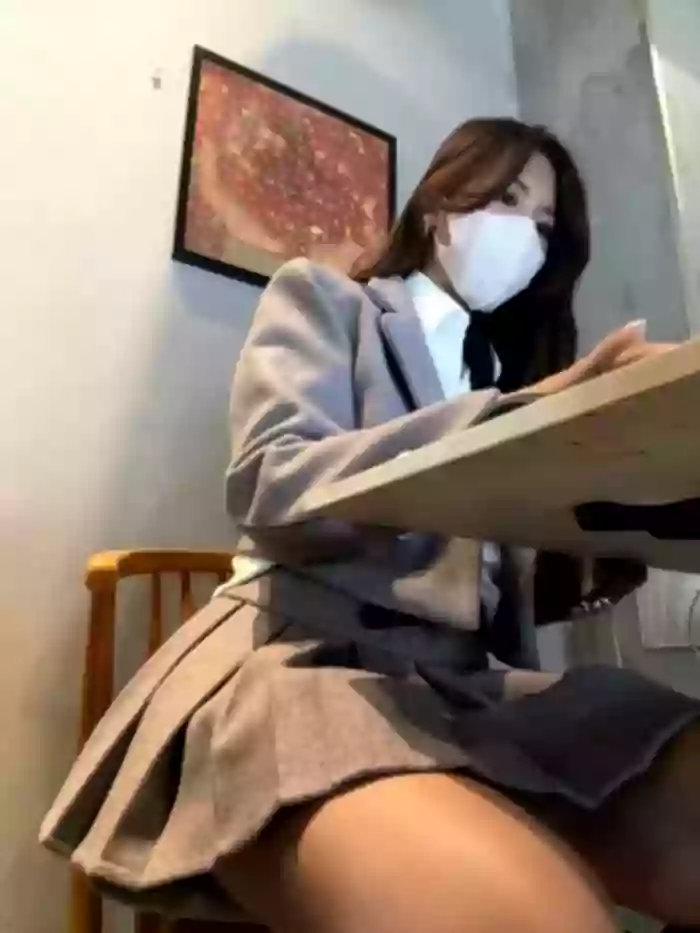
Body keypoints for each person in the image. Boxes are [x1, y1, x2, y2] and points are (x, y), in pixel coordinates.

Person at [42, 118, 700, 933]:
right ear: (440, 205)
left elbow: (481, 586)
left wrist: (618, 515)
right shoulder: (326, 301)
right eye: (508, 199)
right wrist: (519, 413)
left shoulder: (496, 370)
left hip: (460, 685)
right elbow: (272, 481)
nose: (526, 237)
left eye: (543, 226)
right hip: (300, 661)